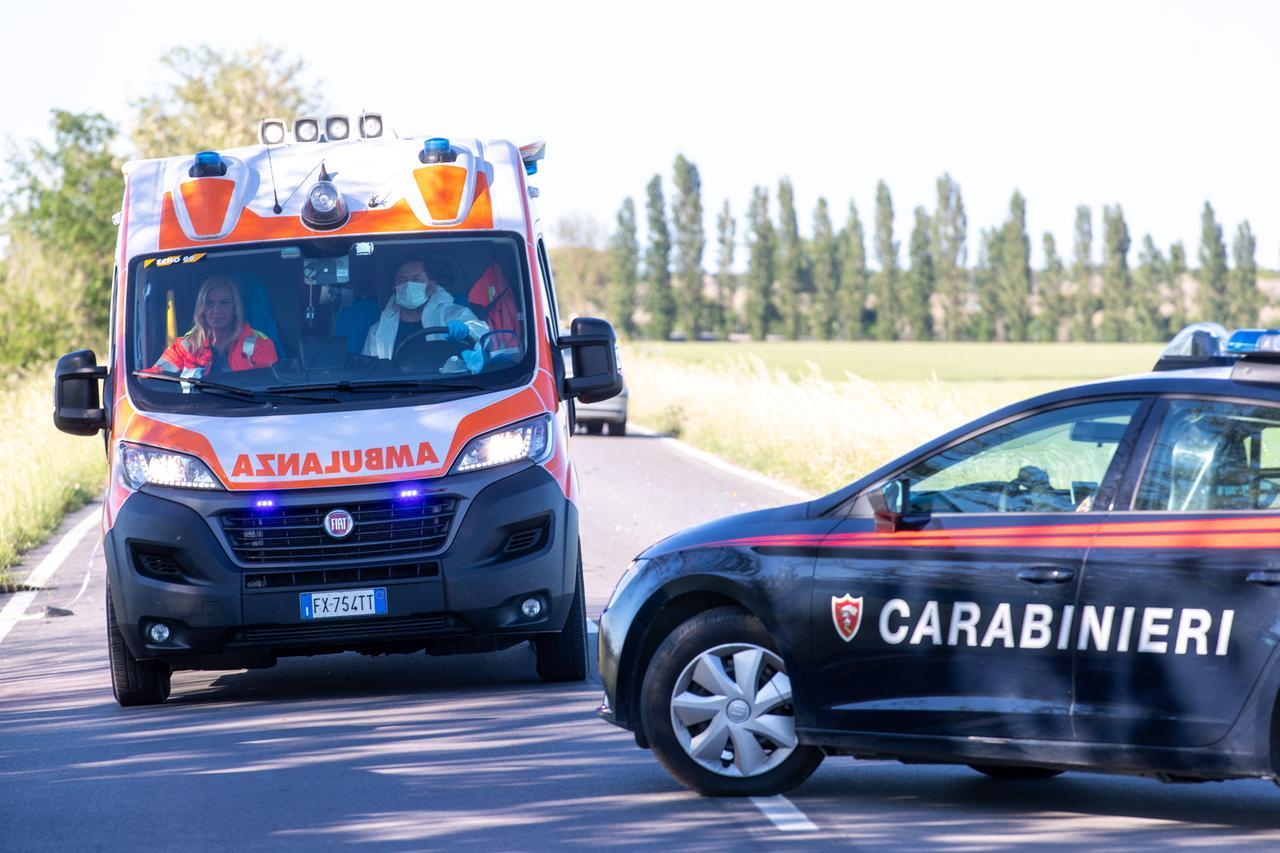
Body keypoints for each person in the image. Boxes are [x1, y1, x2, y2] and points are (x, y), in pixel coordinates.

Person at [148, 276, 279, 376]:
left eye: (224, 303)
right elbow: (155, 377)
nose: (216, 310)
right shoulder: (185, 346)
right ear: (202, 309)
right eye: (210, 303)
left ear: (235, 307)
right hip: (194, 411)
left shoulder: (260, 345)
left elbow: (268, 389)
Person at [363, 259, 488, 360]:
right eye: (402, 280)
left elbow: (482, 335)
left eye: (416, 279)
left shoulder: (453, 313)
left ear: (431, 286)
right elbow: (368, 369)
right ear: (394, 289)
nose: (408, 285)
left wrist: (467, 331)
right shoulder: (379, 330)